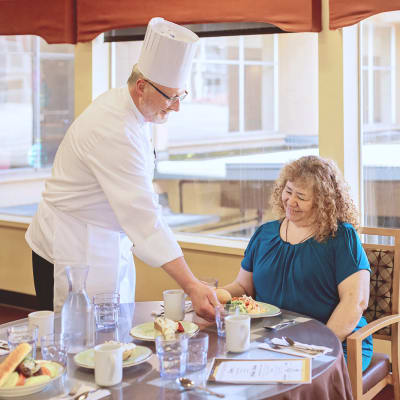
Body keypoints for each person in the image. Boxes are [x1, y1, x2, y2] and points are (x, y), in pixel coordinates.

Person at [25, 17, 217, 320]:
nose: (177, 106)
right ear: (141, 86)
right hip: (68, 245)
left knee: (109, 341)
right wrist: (192, 284)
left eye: (181, 95)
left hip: (105, 241)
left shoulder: (136, 113)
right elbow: (143, 216)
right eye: (171, 97)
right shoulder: (112, 126)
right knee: (70, 345)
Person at [222, 155, 373, 371]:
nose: (291, 201)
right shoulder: (265, 234)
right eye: (288, 191)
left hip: (335, 340)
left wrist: (316, 347)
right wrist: (215, 294)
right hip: (272, 339)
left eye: (301, 197)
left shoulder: (341, 238)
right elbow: (243, 288)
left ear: (322, 202)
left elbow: (354, 303)